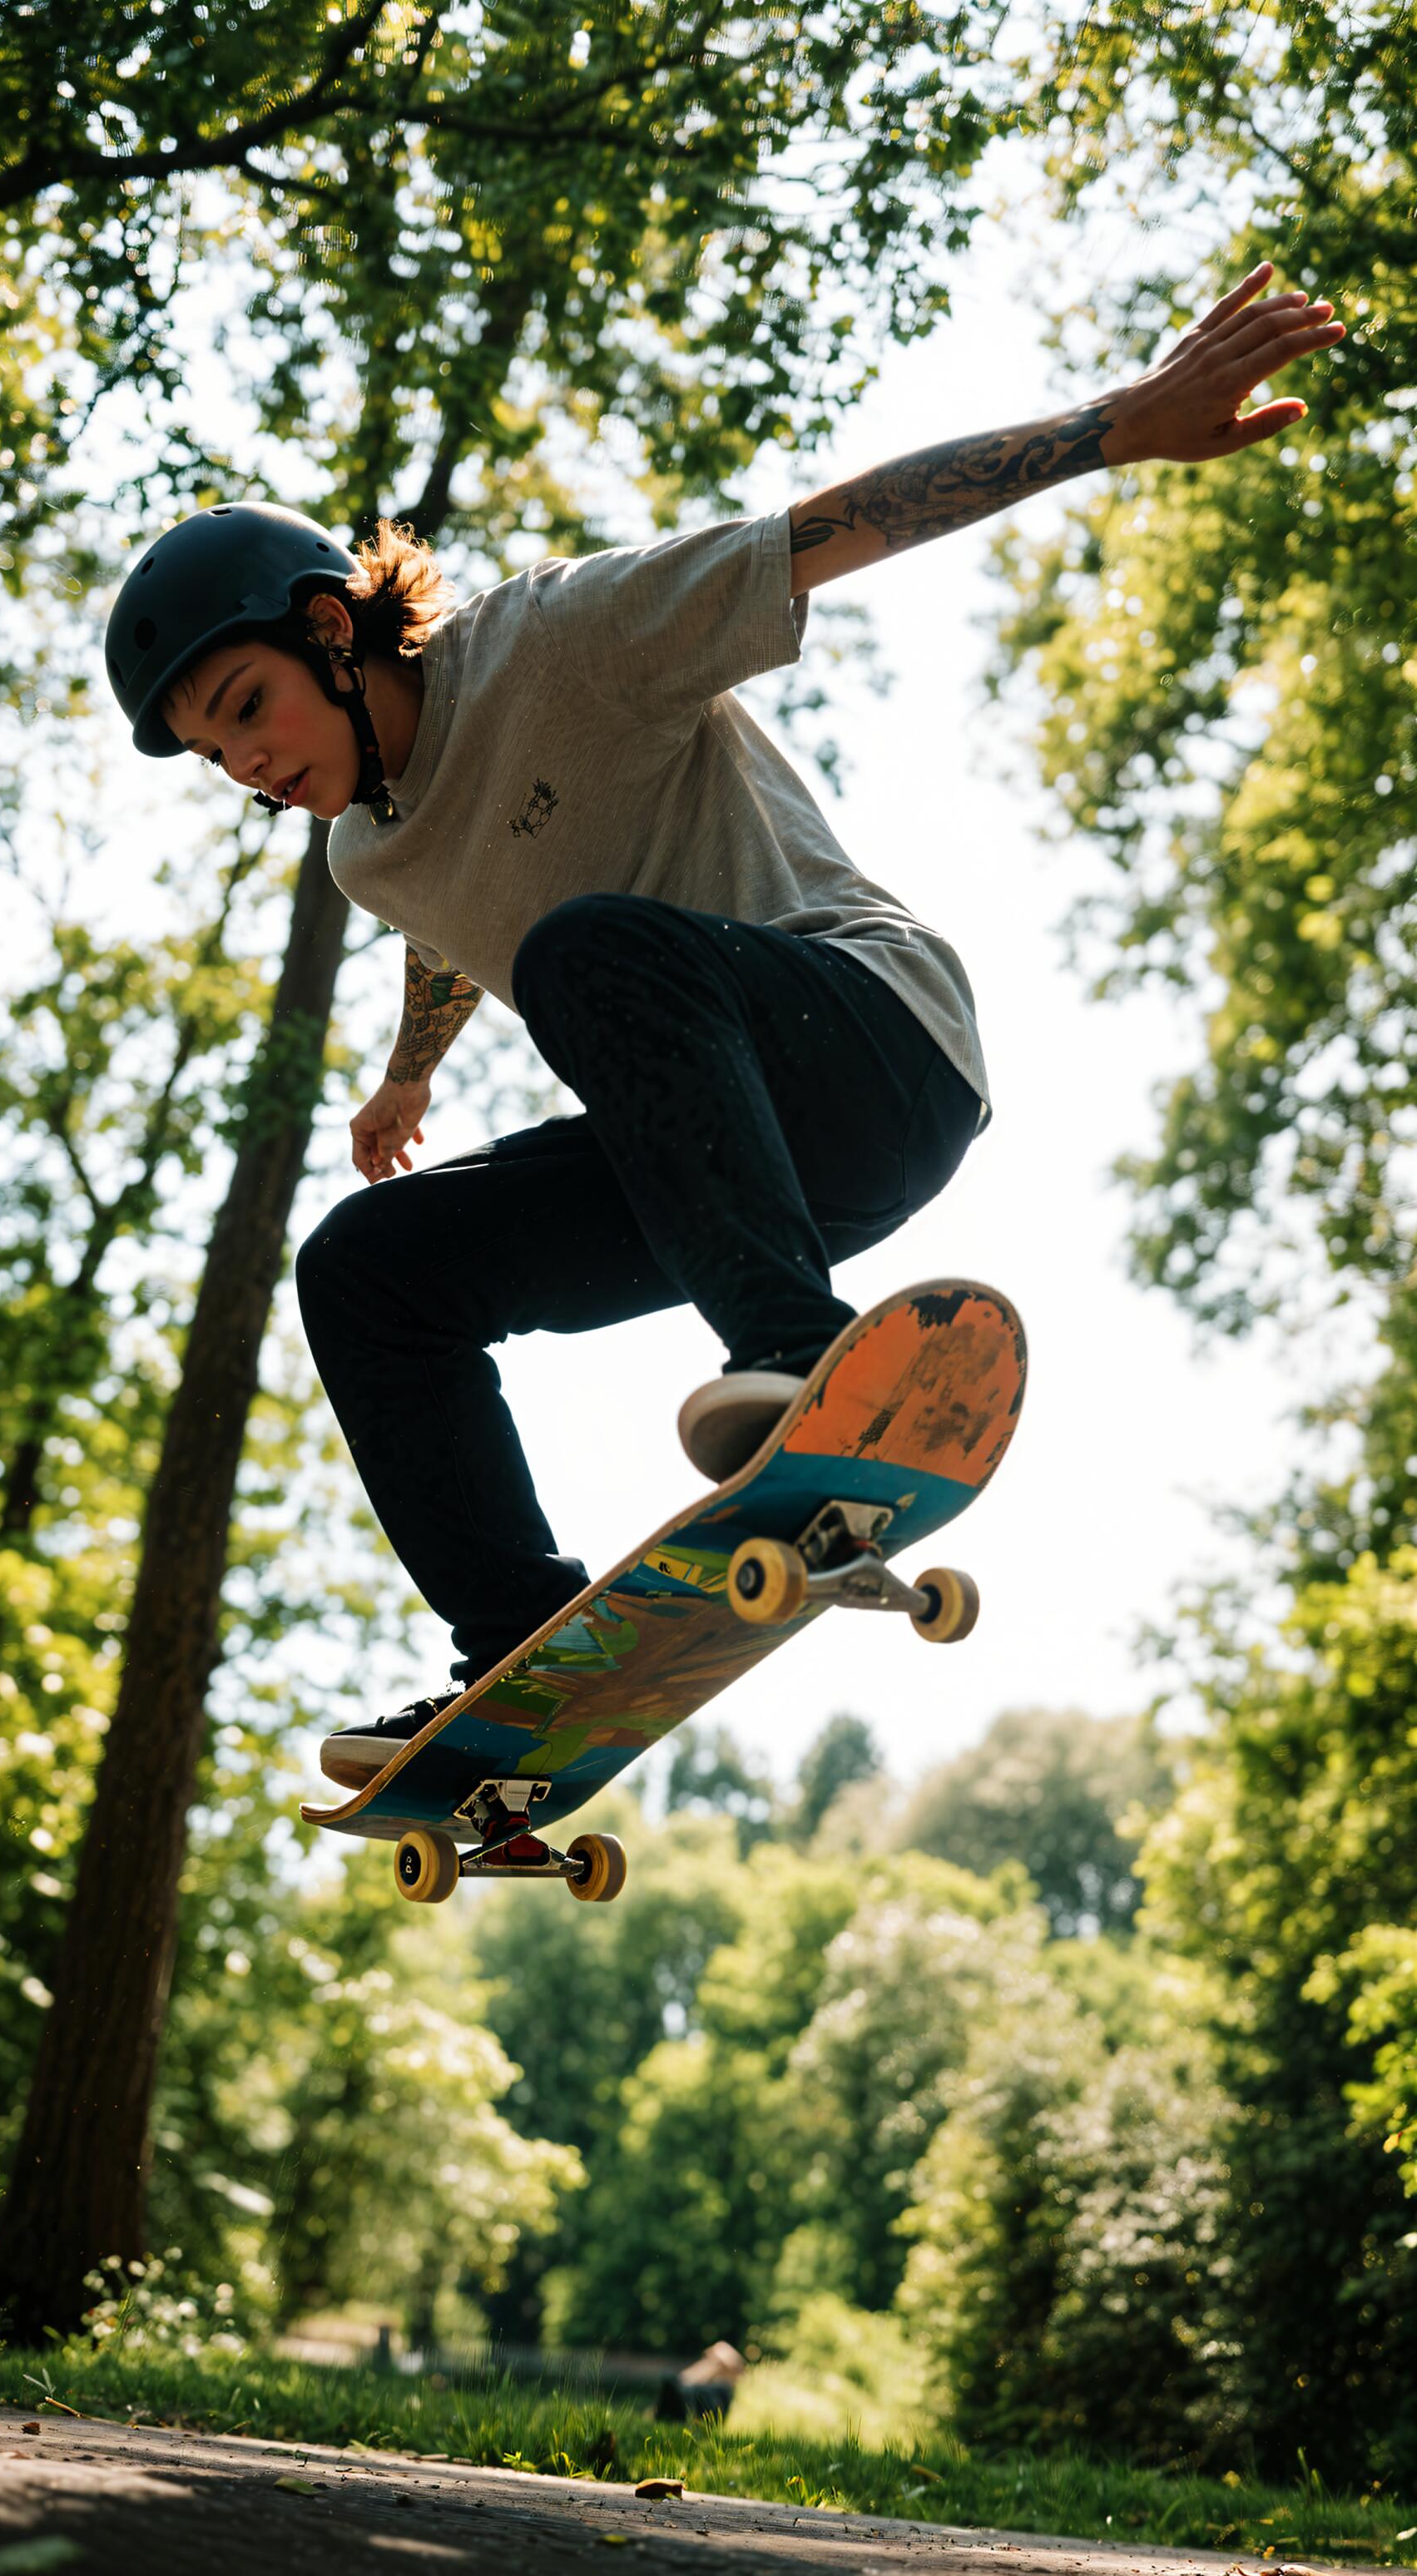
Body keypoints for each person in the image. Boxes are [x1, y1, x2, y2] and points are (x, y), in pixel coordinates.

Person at [105, 265, 1341, 1784]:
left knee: (583, 953)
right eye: (209, 751)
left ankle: (801, 1354)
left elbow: (836, 530)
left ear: (327, 628)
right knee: (367, 1268)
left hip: (878, 1048)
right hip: (712, 1159)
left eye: (246, 707)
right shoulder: (365, 852)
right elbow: (454, 921)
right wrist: (408, 1075)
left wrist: (1117, 426)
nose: (242, 763)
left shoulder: (562, 640)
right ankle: (517, 1655)